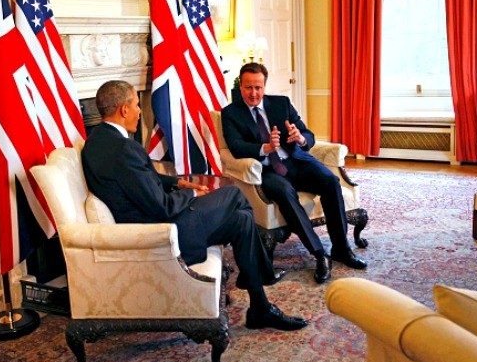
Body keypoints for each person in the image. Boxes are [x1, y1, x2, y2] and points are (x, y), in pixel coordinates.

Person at [81, 80, 307, 331]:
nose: (139, 111)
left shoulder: (96, 142)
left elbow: (142, 180)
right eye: (136, 105)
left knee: (242, 220)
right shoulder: (123, 148)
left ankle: (260, 308)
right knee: (234, 195)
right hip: (161, 233)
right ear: (123, 109)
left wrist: (179, 183)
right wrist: (193, 197)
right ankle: (260, 272)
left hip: (150, 222)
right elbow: (161, 207)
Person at [221, 62, 367, 284]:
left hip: (295, 161)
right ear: (241, 87)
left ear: (264, 86)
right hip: (267, 169)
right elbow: (235, 146)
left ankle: (341, 248)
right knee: (285, 192)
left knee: (330, 181)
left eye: (258, 88)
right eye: (249, 88)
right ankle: (319, 254)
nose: (254, 93)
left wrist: (300, 138)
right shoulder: (231, 113)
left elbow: (308, 134)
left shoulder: (281, 104)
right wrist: (265, 148)